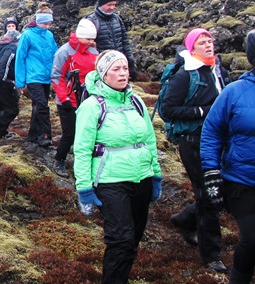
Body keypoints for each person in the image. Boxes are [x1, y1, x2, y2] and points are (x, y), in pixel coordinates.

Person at [74, 50, 162, 284]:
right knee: (121, 240)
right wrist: (84, 188)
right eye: (116, 69)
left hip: (141, 178)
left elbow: (149, 139)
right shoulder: (92, 106)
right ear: (103, 74)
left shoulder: (136, 101)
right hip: (110, 182)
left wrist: (156, 175)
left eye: (125, 68)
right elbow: (81, 150)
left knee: (133, 239)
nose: (123, 73)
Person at [163, 28, 229, 273]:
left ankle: (185, 219)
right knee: (207, 195)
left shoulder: (219, 70)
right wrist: (201, 112)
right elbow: (168, 109)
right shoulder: (185, 76)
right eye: (202, 42)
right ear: (192, 48)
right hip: (193, 141)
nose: (208, 45)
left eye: (210, 40)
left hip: (220, 139)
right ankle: (212, 255)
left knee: (223, 189)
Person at [201, 30, 255, 284]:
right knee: (252, 239)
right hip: (241, 181)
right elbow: (211, 131)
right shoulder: (234, 92)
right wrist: (212, 174)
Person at [50, 18, 99, 176]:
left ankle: (86, 163)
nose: (92, 42)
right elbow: (57, 77)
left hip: (88, 99)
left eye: (93, 38)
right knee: (70, 133)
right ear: (79, 36)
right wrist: (64, 99)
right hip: (68, 100)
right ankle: (59, 160)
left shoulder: (93, 51)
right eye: (88, 39)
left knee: (89, 132)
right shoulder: (64, 52)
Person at [14, 2, 58, 147]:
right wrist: (20, 82)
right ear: (38, 21)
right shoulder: (27, 35)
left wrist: (57, 75)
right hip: (33, 77)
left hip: (46, 78)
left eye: (49, 23)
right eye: (45, 23)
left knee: (37, 106)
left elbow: (55, 54)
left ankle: (32, 136)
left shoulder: (49, 35)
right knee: (42, 106)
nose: (47, 26)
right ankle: (45, 135)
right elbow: (20, 58)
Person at [85, 0, 137, 80]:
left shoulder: (117, 19)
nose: (112, 8)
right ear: (101, 4)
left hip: (119, 63)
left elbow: (125, 42)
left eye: (114, 5)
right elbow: (87, 47)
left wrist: (130, 63)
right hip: (102, 67)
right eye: (109, 5)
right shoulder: (91, 21)